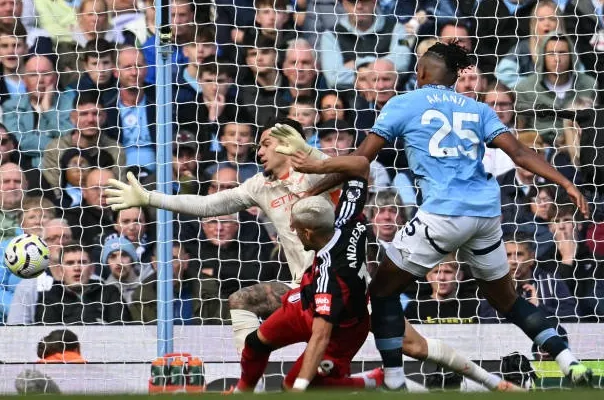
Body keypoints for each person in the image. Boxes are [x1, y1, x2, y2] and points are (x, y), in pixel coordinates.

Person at [105, 118, 518, 391]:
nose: (258, 152)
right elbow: (209, 206)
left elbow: (360, 168)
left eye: (265, 144)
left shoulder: (317, 166)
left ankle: (492, 383)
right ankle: (249, 380)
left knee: (411, 344)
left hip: (348, 286)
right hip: (301, 286)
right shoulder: (258, 188)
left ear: (286, 145)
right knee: (242, 302)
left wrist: (317, 167)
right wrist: (149, 198)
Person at [302, 41, 592, 388]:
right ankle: (569, 361)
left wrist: (313, 185)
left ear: (422, 72)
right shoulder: (477, 109)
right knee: (507, 300)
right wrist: (566, 183)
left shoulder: (404, 103)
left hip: (442, 213)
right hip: (486, 214)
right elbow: (519, 152)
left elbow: (361, 161)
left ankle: (394, 380)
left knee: (381, 291)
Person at [234, 153, 383, 392]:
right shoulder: (346, 220)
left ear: (310, 234)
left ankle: (372, 382)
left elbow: (320, 337)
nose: (291, 228)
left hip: (341, 329)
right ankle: (242, 392)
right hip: (305, 301)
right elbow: (362, 164)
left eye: (296, 226)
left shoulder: (329, 277)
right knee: (255, 343)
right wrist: (317, 173)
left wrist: (299, 387)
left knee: (295, 385)